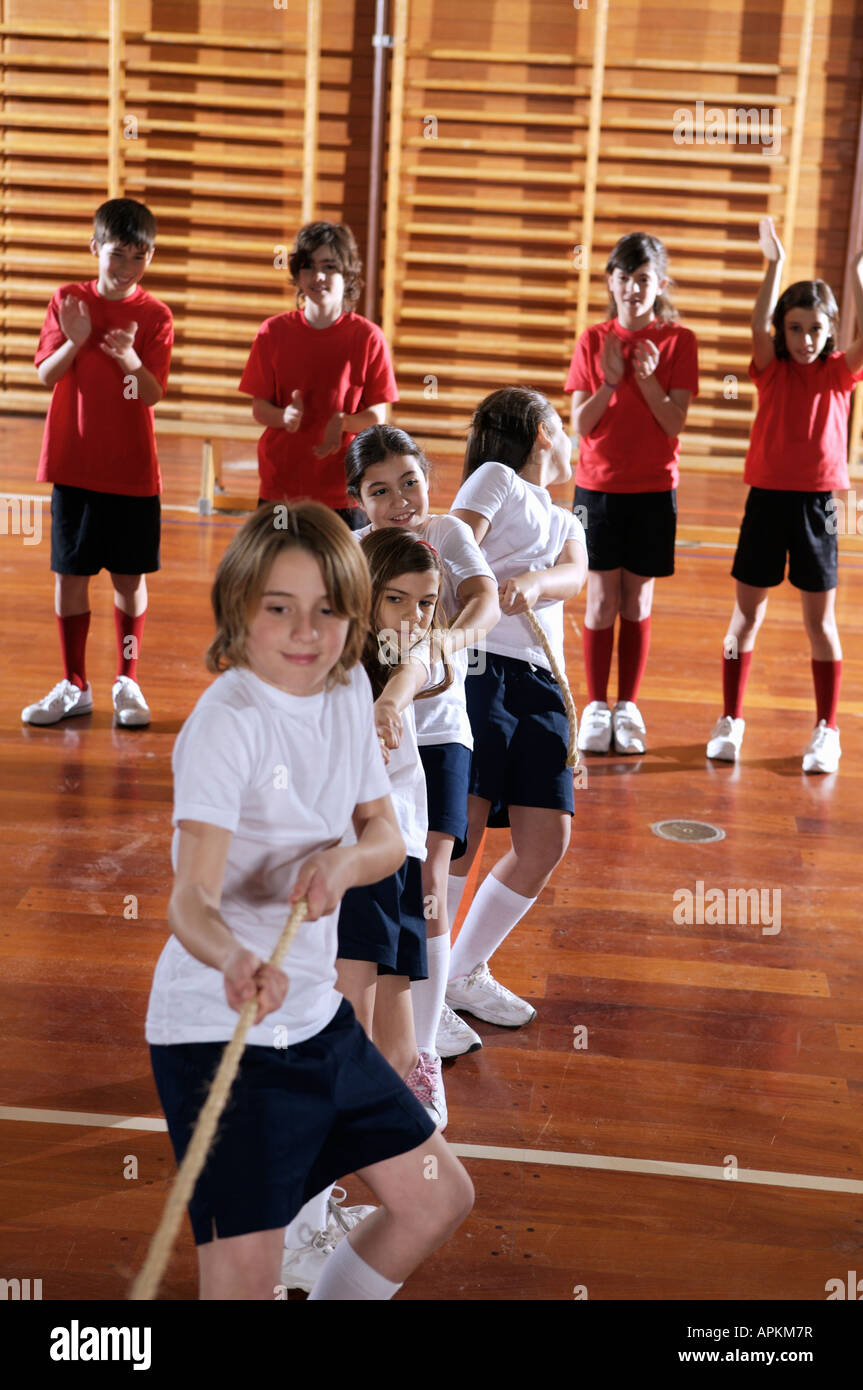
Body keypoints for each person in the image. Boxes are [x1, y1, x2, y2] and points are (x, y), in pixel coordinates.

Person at [146, 501, 473, 1300]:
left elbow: (385, 834)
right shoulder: (228, 723)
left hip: (315, 1018)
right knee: (242, 1284)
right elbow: (188, 900)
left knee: (435, 1197)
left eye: (329, 609)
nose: (306, 631)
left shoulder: (343, 687)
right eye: (279, 608)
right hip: (221, 1030)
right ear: (238, 609)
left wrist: (343, 862)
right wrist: (234, 957)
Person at [346, 425, 500, 1062]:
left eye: (411, 481)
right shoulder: (351, 552)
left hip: (439, 735)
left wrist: (446, 641)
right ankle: (389, 1029)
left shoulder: (447, 535)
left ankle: (426, 1050)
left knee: (431, 877)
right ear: (357, 498)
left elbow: (485, 600)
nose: (401, 500)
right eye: (380, 490)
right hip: (377, 739)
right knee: (383, 880)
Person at [445, 387, 587, 1027]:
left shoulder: (567, 518)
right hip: (479, 669)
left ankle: (461, 973)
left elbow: (575, 576)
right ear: (542, 434)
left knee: (547, 838)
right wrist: (484, 593)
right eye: (563, 425)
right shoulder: (496, 477)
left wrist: (532, 584)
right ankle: (420, 986)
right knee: (460, 831)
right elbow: (453, 543)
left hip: (539, 685)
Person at [706, 218, 863, 774]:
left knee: (821, 624)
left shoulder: (840, 373)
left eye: (817, 329)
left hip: (817, 507)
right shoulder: (770, 371)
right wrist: (774, 263)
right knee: (745, 619)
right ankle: (730, 719)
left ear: (830, 330)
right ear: (783, 331)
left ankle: (828, 730)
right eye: (795, 329)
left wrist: (859, 275)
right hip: (767, 502)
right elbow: (755, 324)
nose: (806, 340)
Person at [22, 197, 173, 728]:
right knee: (70, 578)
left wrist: (128, 360)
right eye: (117, 254)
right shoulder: (67, 301)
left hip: (133, 472)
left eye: (138, 256)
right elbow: (45, 374)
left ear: (149, 258)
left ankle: (127, 679)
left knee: (129, 580)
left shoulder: (155, 316)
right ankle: (75, 683)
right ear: (95, 248)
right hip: (75, 467)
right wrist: (77, 341)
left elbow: (149, 394)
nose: (126, 266)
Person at [566, 231, 698, 755]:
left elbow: (674, 423)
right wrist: (609, 382)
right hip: (597, 487)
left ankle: (628, 705)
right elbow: (581, 424)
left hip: (653, 488)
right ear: (611, 282)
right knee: (600, 599)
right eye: (624, 277)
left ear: (659, 283)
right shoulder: (592, 340)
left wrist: (645, 382)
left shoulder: (678, 341)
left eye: (643, 278)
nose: (633, 288)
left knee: (638, 598)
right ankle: (597, 705)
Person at [238, 222, 398, 528]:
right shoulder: (272, 332)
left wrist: (343, 423)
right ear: (297, 274)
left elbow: (378, 415)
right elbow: (259, 408)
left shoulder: (368, 337)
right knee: (278, 573)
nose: (318, 276)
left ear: (347, 273)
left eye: (329, 266)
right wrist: (283, 417)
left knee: (341, 577)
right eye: (309, 267)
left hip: (345, 491)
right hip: (282, 488)